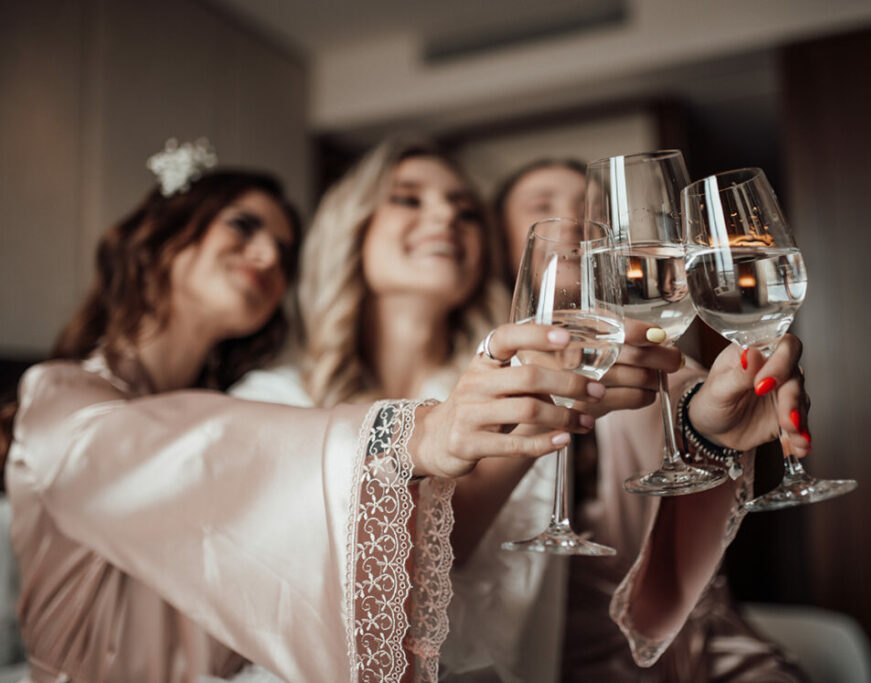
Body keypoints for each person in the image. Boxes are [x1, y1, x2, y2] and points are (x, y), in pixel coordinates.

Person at [0, 145, 599, 682]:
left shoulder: (242, 406)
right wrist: (410, 436)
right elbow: (157, 456)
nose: (267, 256)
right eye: (244, 225)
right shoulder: (60, 397)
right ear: (159, 234)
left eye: (284, 250)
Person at [233, 138, 811, 682]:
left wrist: (703, 425)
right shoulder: (272, 399)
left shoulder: (563, 364)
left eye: (462, 211)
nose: (443, 220)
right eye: (408, 198)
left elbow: (672, 388)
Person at [493, 157, 808, 681]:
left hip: (698, 656)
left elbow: (689, 399)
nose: (571, 219)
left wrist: (705, 425)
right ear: (509, 243)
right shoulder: (484, 369)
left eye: (586, 205)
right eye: (543, 206)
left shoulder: (650, 356)